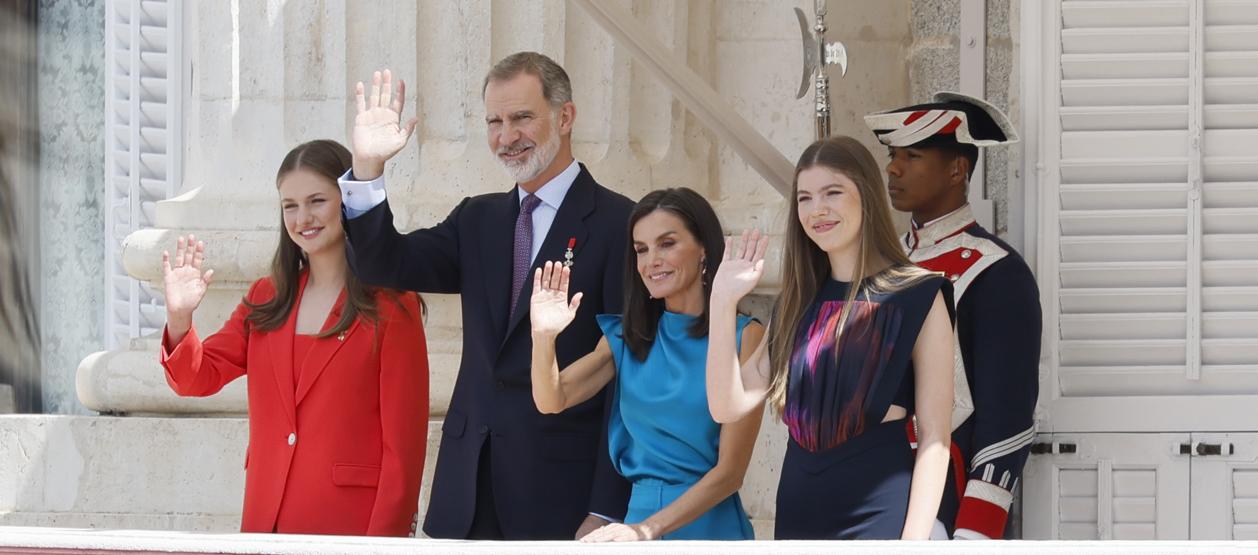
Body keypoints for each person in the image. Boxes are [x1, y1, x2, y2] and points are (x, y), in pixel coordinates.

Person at [338, 52, 633, 539]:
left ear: (565, 117)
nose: (506, 136)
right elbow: (383, 263)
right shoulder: (478, 219)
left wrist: (606, 506)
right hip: (467, 492)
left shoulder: (620, 223)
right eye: (494, 122)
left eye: (522, 118)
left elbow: (627, 375)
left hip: (563, 495)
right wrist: (368, 167)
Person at [159, 139, 429, 536]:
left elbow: (404, 452)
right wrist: (180, 318)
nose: (303, 218)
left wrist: (383, 546)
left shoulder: (391, 306)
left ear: (346, 201)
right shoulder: (266, 298)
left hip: (351, 531)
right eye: (290, 205)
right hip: (266, 526)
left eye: (317, 201)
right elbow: (194, 378)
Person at [705, 136, 956, 539]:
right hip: (798, 513)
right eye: (804, 198)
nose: (816, 209)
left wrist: (913, 543)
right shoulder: (796, 301)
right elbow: (726, 406)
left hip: (879, 515)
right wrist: (721, 302)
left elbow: (935, 438)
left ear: (866, 195)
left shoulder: (919, 294)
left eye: (832, 192)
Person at [529, 188, 763, 541]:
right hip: (634, 525)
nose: (651, 260)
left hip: (708, 528)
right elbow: (551, 399)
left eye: (667, 244)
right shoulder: (627, 335)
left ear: (703, 248)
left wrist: (646, 530)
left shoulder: (745, 336)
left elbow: (730, 473)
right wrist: (543, 338)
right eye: (641, 249)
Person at [865, 91, 1041, 539]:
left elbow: (1007, 418)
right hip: (873, 491)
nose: (893, 169)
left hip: (949, 496)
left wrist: (975, 531)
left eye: (912, 156)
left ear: (957, 170)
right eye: (892, 156)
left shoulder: (997, 271)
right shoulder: (882, 264)